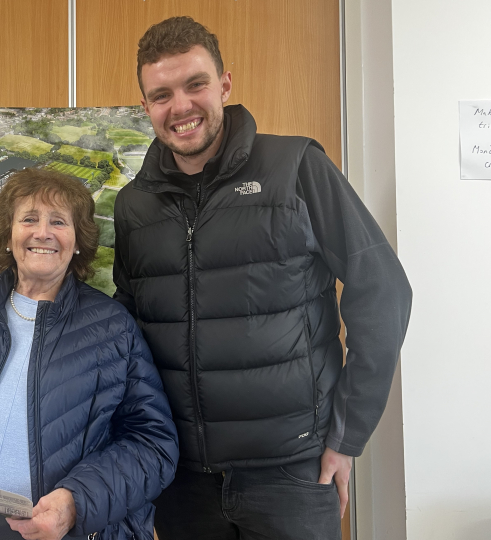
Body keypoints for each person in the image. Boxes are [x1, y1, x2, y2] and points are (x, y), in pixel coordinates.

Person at [112, 16, 413, 540]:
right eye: (161, 94)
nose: (180, 106)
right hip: (180, 479)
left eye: (195, 84)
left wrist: (347, 434)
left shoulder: (296, 166)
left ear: (225, 84)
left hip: (292, 472)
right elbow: (127, 326)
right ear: (146, 107)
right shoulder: (135, 204)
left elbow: (382, 289)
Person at [0, 168, 179, 540]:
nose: (42, 232)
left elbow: (153, 444)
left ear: (77, 241)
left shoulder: (112, 328)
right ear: (8, 236)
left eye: (58, 221)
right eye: (29, 219)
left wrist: (76, 503)